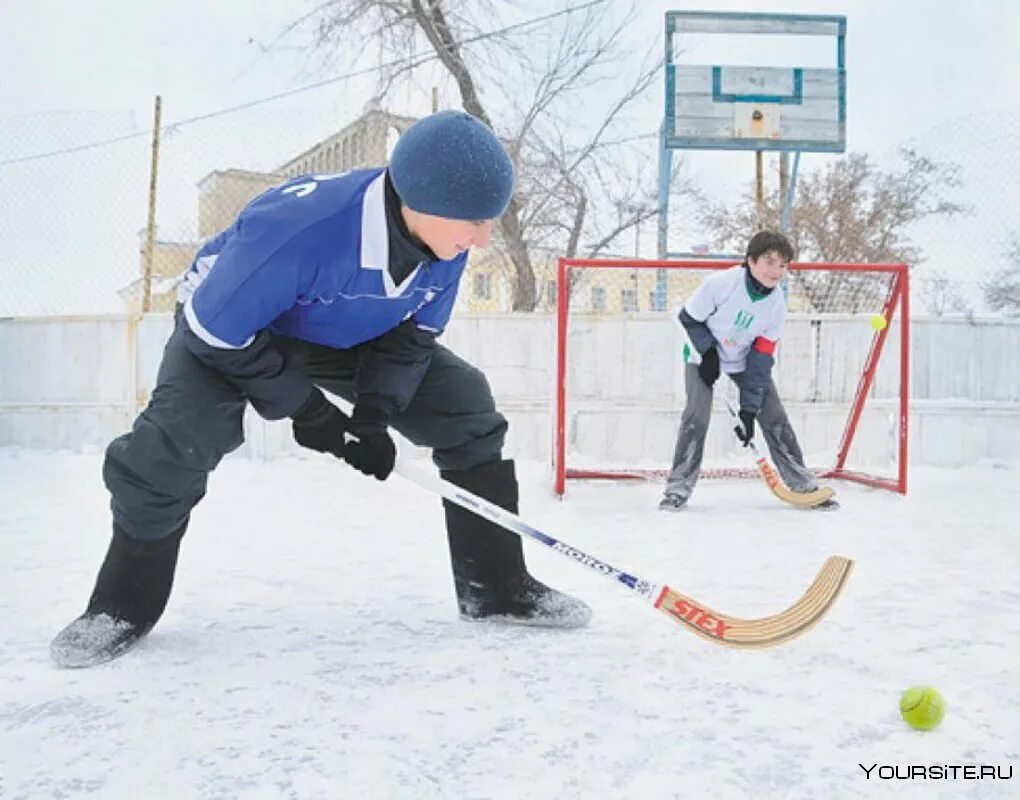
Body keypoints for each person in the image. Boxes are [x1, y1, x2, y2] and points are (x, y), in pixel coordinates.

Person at [51, 110, 591, 668]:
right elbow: (216, 330)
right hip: (233, 328)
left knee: (465, 406)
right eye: (472, 223)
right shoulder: (300, 228)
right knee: (178, 440)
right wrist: (310, 413)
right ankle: (120, 606)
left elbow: (410, 342)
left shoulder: (445, 246)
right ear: (417, 202)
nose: (482, 239)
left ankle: (498, 587)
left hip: (345, 333)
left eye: (489, 222)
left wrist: (375, 414)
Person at [660, 230, 837, 512]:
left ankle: (804, 485)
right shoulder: (721, 284)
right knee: (696, 417)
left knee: (774, 416)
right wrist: (707, 354)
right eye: (770, 262)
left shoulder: (776, 304)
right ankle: (677, 488)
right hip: (700, 355)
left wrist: (749, 408)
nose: (776, 271)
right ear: (751, 261)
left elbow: (761, 356)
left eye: (783, 265)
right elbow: (688, 320)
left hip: (743, 359)